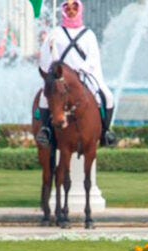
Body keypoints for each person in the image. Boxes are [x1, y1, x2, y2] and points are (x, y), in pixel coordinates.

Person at [35, 0, 117, 148]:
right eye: (68, 7)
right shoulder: (55, 33)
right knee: (43, 98)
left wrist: (82, 68)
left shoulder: (88, 35)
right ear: (64, 10)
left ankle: (105, 132)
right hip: (61, 78)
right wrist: (51, 51)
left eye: (74, 7)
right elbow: (47, 56)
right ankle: (46, 130)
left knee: (108, 97)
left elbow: (93, 57)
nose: (71, 10)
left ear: (79, 9)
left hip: (84, 76)